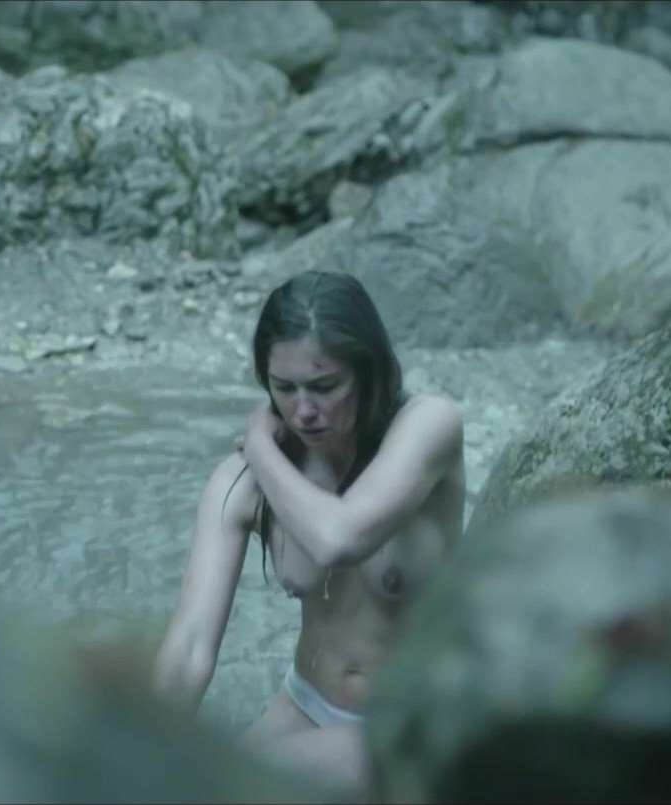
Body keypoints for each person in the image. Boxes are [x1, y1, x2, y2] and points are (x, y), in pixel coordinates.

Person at [150, 270, 465, 796]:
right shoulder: (245, 482)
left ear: (369, 373)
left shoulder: (428, 426)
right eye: (284, 388)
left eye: (324, 387)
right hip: (305, 705)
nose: (303, 411)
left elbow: (338, 538)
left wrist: (258, 443)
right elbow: (189, 648)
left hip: (416, 722)